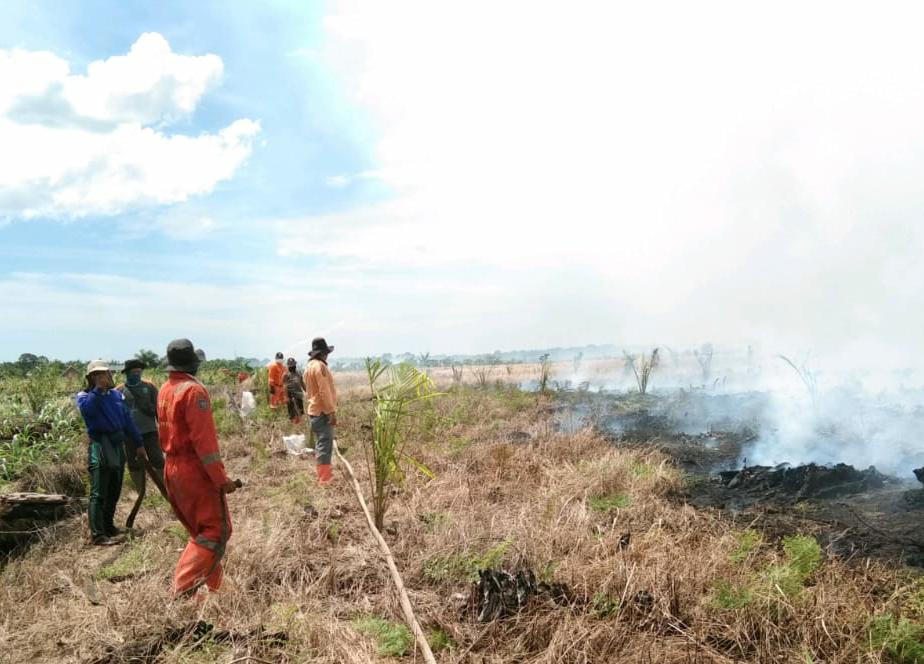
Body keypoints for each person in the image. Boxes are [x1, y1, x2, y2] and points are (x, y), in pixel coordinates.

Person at [157, 339, 238, 596]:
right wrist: (221, 479)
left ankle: (216, 591)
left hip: (172, 468)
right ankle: (181, 590)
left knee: (201, 532)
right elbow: (205, 444)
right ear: (193, 364)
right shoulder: (193, 392)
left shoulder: (165, 389)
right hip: (194, 471)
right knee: (215, 532)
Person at [76, 360, 145, 545]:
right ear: (90, 378)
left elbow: (128, 420)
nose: (102, 378)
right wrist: (98, 390)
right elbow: (89, 412)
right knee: (99, 492)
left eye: (104, 374)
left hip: (117, 445)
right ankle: (98, 534)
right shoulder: (85, 396)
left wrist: (139, 443)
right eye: (96, 375)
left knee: (114, 489)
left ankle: (109, 527)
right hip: (100, 446)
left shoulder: (116, 395)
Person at [116, 359, 167, 499]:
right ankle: (141, 495)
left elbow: (159, 410)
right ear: (127, 373)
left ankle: (166, 491)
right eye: (134, 372)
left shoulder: (149, 387)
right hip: (129, 435)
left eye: (139, 372)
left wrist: (163, 429)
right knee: (134, 465)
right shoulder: (119, 391)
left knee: (158, 461)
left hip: (150, 432)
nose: (137, 374)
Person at [304, 338, 337, 485]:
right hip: (322, 411)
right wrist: (331, 412)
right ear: (323, 353)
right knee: (324, 445)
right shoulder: (320, 366)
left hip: (313, 411)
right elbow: (324, 392)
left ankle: (322, 475)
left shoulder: (309, 366)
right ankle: (324, 479)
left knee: (320, 444)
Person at [283, 357, 305, 424]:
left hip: (298, 395)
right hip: (290, 396)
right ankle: (294, 424)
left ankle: (299, 425)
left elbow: (302, 383)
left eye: (293, 364)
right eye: (290, 364)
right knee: (292, 414)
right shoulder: (285, 375)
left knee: (300, 412)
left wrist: (307, 391)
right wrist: (286, 397)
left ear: (295, 364)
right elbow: (285, 386)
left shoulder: (299, 373)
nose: (292, 366)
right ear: (288, 365)